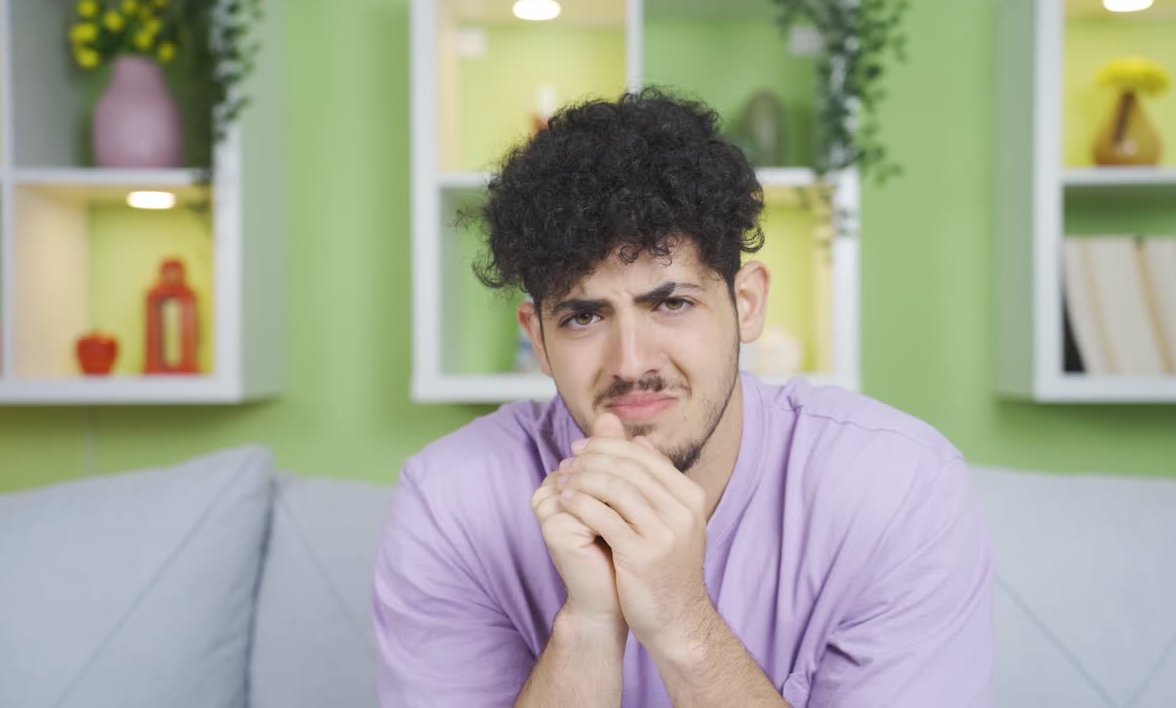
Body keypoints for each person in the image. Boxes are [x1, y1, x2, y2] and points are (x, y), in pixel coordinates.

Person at [372, 88, 994, 707]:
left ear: (745, 304)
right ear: (538, 338)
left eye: (672, 303)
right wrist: (588, 627)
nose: (632, 361)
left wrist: (679, 617)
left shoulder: (900, 488)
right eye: (584, 318)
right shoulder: (450, 502)